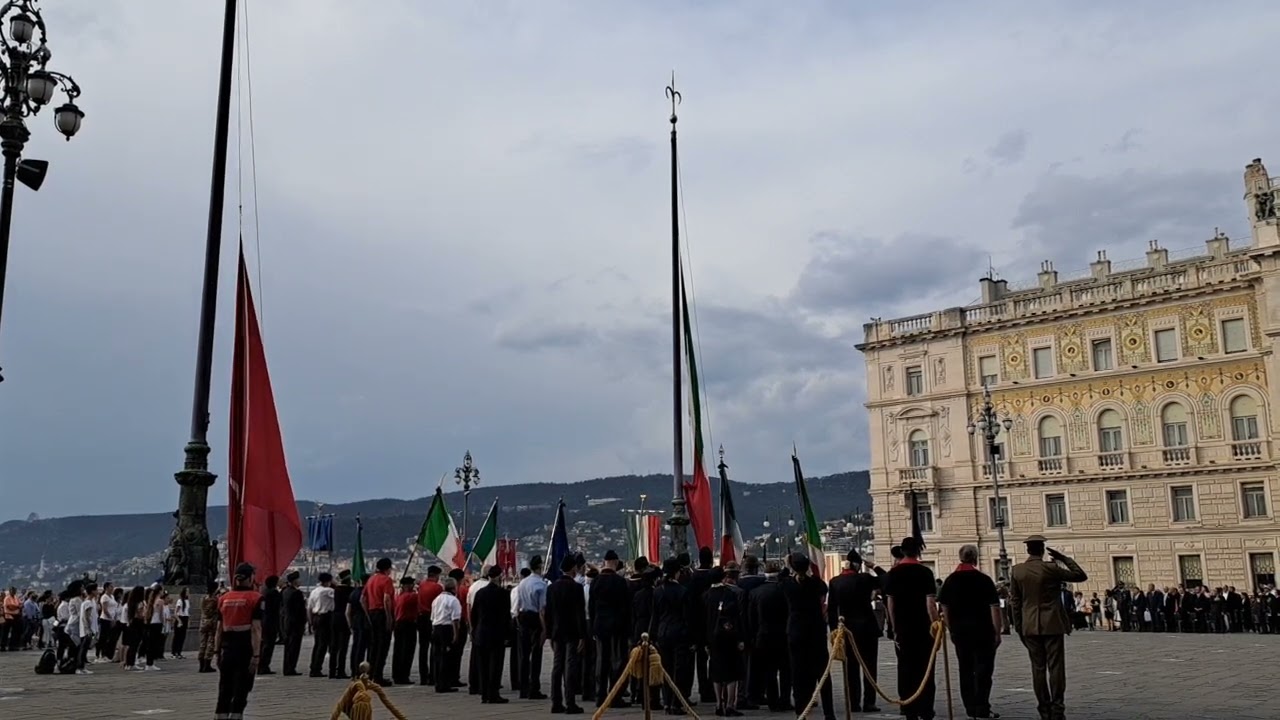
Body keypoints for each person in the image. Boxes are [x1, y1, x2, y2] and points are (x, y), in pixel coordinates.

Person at [1009, 535, 1087, 720]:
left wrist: (1019, 627)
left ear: (1028, 550)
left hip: (1029, 625)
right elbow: (1080, 575)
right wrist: (1064, 558)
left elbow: (1015, 602)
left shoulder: (1017, 571)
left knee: (1038, 668)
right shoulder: (1051, 568)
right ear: (1042, 550)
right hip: (1052, 624)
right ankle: (1057, 708)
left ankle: (1043, 709)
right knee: (1056, 668)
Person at [937, 544, 1001, 720]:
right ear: (975, 558)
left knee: (965, 669)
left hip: (960, 631)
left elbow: (944, 607)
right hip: (983, 631)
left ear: (961, 558)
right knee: (984, 670)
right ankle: (982, 706)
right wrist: (998, 632)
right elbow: (994, 608)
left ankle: (970, 707)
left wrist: (950, 627)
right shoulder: (984, 580)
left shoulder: (951, 580)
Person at [827, 549, 886, 714]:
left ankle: (853, 702)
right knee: (869, 667)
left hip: (847, 629)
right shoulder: (865, 578)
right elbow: (886, 580)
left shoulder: (835, 582)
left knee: (851, 668)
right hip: (867, 628)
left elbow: (832, 609)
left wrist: (834, 631)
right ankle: (869, 702)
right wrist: (874, 566)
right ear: (858, 565)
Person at [884, 537, 938, 720]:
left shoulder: (894, 573)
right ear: (918, 551)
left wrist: (894, 627)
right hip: (923, 628)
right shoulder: (925, 572)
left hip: (903, 628)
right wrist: (936, 625)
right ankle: (926, 708)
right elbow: (930, 604)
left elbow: (890, 604)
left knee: (905, 668)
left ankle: (908, 707)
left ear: (902, 551)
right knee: (926, 668)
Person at [781, 553, 834, 720]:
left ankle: (801, 711)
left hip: (796, 631)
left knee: (798, 674)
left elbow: (781, 578)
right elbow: (823, 590)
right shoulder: (816, 584)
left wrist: (787, 566)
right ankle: (829, 712)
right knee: (823, 674)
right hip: (816, 631)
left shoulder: (787, 585)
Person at [214, 562, 263, 720]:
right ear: (250, 578)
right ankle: (236, 715)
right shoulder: (255, 598)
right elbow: (256, 629)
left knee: (225, 685)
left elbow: (219, 629)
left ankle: (220, 715)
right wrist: (256, 655)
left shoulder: (223, 598)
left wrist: (216, 651)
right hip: (245, 645)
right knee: (242, 685)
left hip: (226, 646)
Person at [589, 549, 632, 706]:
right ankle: (615, 695)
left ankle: (600, 695)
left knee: (602, 661)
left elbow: (591, 607)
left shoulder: (595, 581)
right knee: (617, 662)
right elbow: (626, 607)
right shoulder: (620, 582)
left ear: (604, 562)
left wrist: (593, 626)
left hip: (600, 626)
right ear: (615, 562)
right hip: (617, 627)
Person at [546, 555, 587, 714]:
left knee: (557, 666)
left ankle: (556, 702)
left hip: (557, 631)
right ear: (573, 568)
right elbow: (579, 614)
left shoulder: (552, 588)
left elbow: (549, 613)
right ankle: (570, 702)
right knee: (570, 666)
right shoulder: (576, 588)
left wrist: (549, 634)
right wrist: (582, 635)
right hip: (572, 631)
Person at [471, 565, 512, 704]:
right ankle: (493, 693)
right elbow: (506, 616)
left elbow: (474, 614)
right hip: (497, 633)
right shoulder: (503, 594)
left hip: (481, 633)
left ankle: (484, 694)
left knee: (483, 665)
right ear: (499, 577)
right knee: (496, 665)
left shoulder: (480, 593)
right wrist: (508, 635)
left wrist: (474, 630)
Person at [515, 556, 549, 700]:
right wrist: (545, 629)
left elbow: (518, 604)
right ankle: (534, 688)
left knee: (524, 655)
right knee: (536, 655)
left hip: (523, 616)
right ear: (540, 566)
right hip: (535, 618)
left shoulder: (522, 583)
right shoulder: (541, 584)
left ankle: (523, 688)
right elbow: (542, 609)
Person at [364, 558, 397, 685]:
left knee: (373, 646)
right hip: (382, 613)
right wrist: (389, 618)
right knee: (382, 646)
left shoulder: (371, 579)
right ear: (387, 568)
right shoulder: (386, 580)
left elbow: (363, 599)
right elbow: (386, 599)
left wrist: (368, 614)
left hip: (372, 613)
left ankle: (370, 674)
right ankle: (378, 676)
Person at [430, 578, 463, 693]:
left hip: (436, 628)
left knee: (437, 657)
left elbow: (432, 617)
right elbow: (455, 619)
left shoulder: (436, 599)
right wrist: (456, 634)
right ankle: (445, 684)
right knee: (447, 657)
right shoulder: (453, 600)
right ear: (454, 588)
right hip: (446, 629)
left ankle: (438, 682)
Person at [416, 566, 444, 686]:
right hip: (432, 618)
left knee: (423, 648)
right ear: (436, 575)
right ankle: (433, 675)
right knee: (434, 648)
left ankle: (423, 676)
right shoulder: (437, 587)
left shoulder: (421, 585)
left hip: (421, 617)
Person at [391, 576, 419, 686]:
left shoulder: (398, 596)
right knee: (407, 651)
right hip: (408, 624)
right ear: (407, 585)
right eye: (412, 584)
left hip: (398, 624)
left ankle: (396, 674)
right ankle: (404, 675)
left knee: (398, 650)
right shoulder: (411, 596)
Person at [307, 572, 336, 678]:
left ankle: (313, 666)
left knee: (317, 643)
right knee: (323, 644)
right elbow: (338, 594)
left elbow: (309, 608)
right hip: (326, 617)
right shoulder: (328, 591)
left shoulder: (314, 591)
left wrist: (310, 622)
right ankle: (317, 668)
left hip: (316, 617)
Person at [279, 571, 306, 676]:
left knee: (288, 646)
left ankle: (287, 667)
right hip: (296, 623)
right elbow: (300, 610)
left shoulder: (285, 591)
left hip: (287, 621)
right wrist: (304, 622)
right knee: (294, 647)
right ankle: (291, 668)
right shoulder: (297, 593)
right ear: (295, 581)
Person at [330, 570, 354, 679]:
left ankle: (332, 671)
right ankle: (340, 670)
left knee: (334, 645)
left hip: (335, 617)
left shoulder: (336, 590)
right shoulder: (350, 590)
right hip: (344, 619)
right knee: (343, 646)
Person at [257, 576, 281, 675]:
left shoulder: (264, 593)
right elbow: (278, 607)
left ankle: (261, 665)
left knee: (264, 644)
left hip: (264, 620)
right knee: (269, 645)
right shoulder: (274, 593)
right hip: (272, 621)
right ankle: (264, 666)